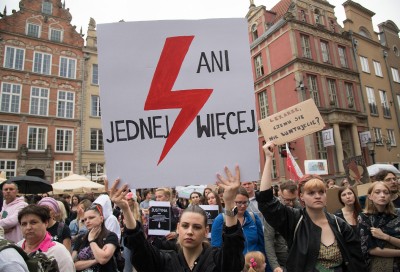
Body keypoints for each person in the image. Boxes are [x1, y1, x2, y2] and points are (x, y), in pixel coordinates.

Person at [257, 141, 367, 272]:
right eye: (311, 193)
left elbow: (357, 261)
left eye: (321, 192)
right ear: (301, 196)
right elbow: (266, 201)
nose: (317, 196)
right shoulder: (294, 220)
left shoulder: (340, 224)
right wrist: (269, 158)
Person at [110, 166, 245, 272]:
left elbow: (233, 248)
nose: (190, 231)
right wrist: (126, 209)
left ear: (206, 231)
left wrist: (228, 203)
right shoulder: (164, 260)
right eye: (185, 226)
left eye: (197, 227)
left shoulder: (216, 259)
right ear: (178, 228)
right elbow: (139, 245)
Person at [211, 186, 268, 270]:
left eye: (245, 202)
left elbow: (262, 244)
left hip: (255, 268)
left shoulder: (253, 218)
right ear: (232, 202)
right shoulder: (220, 220)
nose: (242, 206)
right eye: (239, 202)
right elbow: (216, 249)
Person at [17, 204, 75, 271]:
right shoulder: (17, 248)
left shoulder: (59, 251)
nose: (28, 227)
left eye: (33, 222)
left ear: (46, 223)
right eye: (24, 224)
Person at [358, 181, 400, 271]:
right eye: (377, 192)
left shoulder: (398, 214)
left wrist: (386, 237)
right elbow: (371, 249)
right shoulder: (364, 217)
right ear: (370, 196)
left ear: (390, 196)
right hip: (381, 265)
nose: (382, 195)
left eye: (386, 192)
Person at [264, 180, 300, 272]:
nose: (291, 203)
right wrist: (275, 266)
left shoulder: (301, 208)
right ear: (280, 193)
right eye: (287, 200)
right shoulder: (273, 211)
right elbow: (268, 240)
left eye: (293, 199)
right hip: (283, 263)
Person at [72, 203, 119, 271]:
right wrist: (95, 260)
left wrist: (91, 240)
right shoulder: (81, 238)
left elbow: (103, 259)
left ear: (101, 218)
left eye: (91, 218)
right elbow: (74, 265)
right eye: (85, 219)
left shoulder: (111, 236)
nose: (87, 221)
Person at [121, 192, 141, 272]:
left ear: (133, 201)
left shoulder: (140, 213)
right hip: (126, 239)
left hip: (138, 239)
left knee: (139, 264)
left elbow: (144, 227)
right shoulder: (122, 213)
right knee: (127, 262)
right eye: (126, 199)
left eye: (129, 199)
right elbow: (120, 226)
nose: (127, 201)